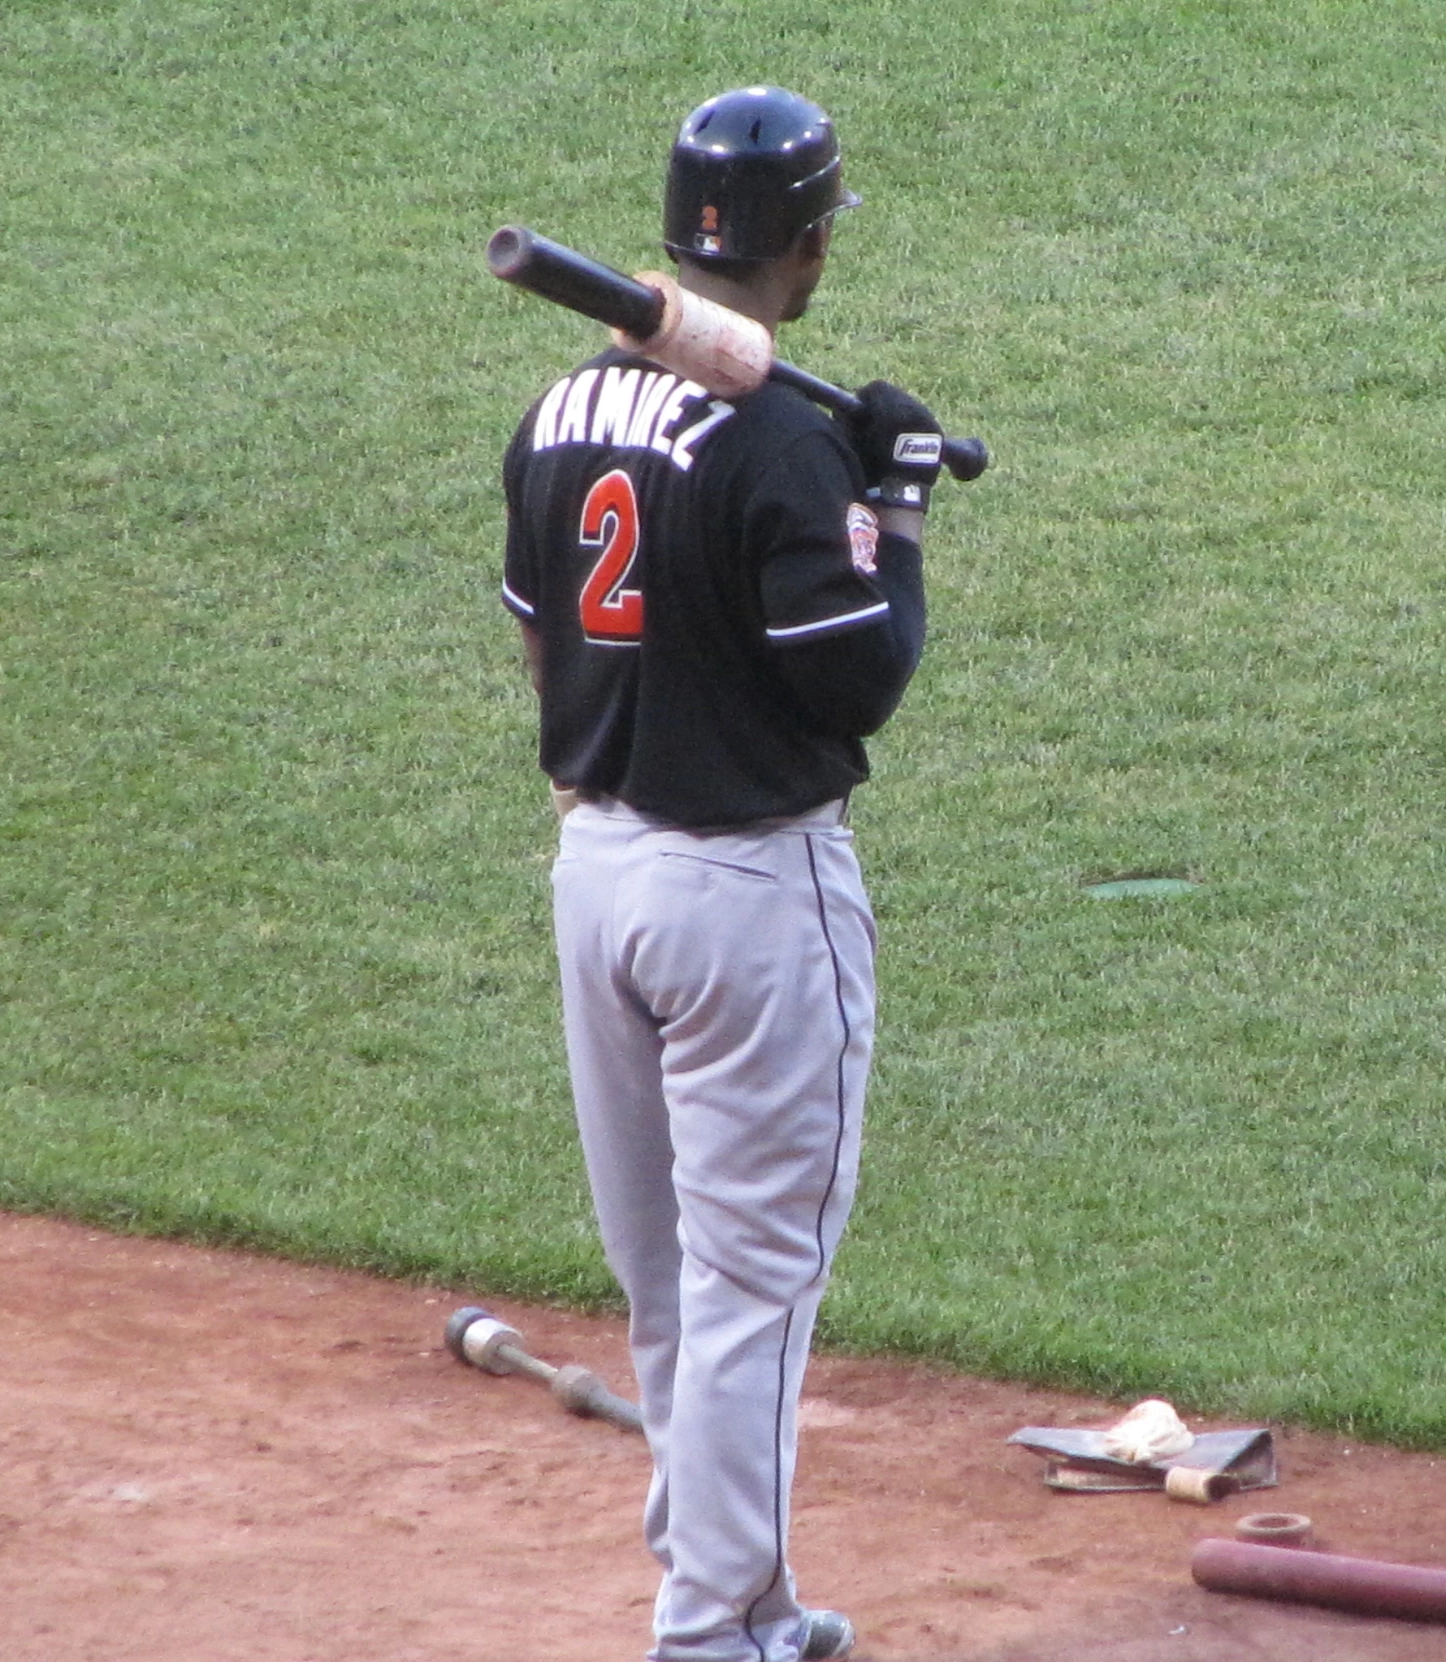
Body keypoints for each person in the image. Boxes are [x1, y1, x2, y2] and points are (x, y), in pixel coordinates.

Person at [499, 85, 944, 1662]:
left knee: (674, 1278)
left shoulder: (555, 411)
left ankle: (743, 1597)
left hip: (596, 879)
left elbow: (544, 635)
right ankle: (706, 1635)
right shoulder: (775, 445)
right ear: (809, 247)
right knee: (757, 1279)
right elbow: (859, 679)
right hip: (747, 899)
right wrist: (888, 496)